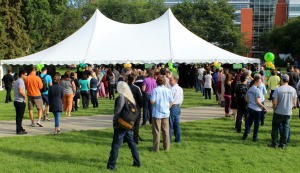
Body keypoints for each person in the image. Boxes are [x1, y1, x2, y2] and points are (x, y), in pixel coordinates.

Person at [107, 81, 141, 170]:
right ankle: (137, 162)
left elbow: (117, 112)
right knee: (132, 144)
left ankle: (111, 166)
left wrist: (114, 123)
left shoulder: (121, 97)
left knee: (115, 145)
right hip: (128, 124)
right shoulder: (130, 97)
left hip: (121, 124)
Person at [268, 74, 297, 149]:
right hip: (288, 112)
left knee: (275, 127)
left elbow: (274, 102)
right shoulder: (293, 89)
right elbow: (294, 103)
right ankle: (283, 144)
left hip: (279, 111)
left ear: (282, 80)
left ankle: (274, 143)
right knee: (285, 128)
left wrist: (274, 109)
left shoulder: (278, 89)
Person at [150, 75, 173, 151]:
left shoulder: (155, 90)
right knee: (166, 131)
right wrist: (167, 108)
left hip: (157, 113)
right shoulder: (168, 90)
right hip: (166, 113)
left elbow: (152, 101)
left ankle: (156, 148)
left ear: (157, 82)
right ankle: (166, 147)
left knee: (156, 131)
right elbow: (171, 102)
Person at [242, 75, 268, 142]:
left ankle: (244, 136)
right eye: (259, 81)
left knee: (249, 123)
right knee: (256, 124)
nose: (260, 83)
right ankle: (254, 138)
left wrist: (251, 102)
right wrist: (264, 107)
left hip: (250, 108)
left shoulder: (249, 89)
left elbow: (246, 99)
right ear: (256, 81)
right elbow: (258, 101)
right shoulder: (257, 90)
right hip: (257, 110)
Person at [127, 74, 143, 144]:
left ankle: (127, 138)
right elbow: (140, 98)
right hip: (136, 107)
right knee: (136, 124)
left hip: (127, 107)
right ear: (134, 80)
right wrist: (140, 106)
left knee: (127, 123)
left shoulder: (125, 87)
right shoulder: (136, 88)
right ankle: (135, 139)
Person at [169, 76, 183, 143]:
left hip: (173, 107)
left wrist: (168, 107)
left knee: (170, 125)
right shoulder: (180, 88)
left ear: (175, 81)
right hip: (178, 107)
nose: (169, 81)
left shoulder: (172, 89)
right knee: (176, 125)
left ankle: (168, 139)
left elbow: (170, 100)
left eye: (171, 80)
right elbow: (182, 99)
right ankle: (178, 139)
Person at [14, 69, 27, 135]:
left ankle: (20, 127)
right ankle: (18, 130)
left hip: (16, 100)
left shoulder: (16, 81)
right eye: (25, 75)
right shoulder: (21, 81)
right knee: (20, 116)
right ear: (22, 75)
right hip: (20, 101)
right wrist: (25, 96)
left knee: (18, 116)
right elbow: (20, 90)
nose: (26, 76)